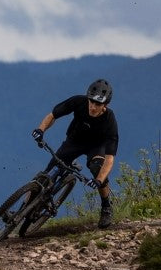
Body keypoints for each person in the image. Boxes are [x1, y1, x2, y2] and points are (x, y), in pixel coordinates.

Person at [32, 79, 119, 228]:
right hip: (74, 141)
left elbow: (110, 158)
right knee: (43, 178)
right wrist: (40, 130)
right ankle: (22, 208)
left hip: (96, 147)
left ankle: (106, 207)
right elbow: (53, 115)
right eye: (91, 102)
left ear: (105, 105)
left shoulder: (110, 120)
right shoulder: (79, 101)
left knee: (97, 169)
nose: (92, 106)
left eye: (97, 104)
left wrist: (98, 180)